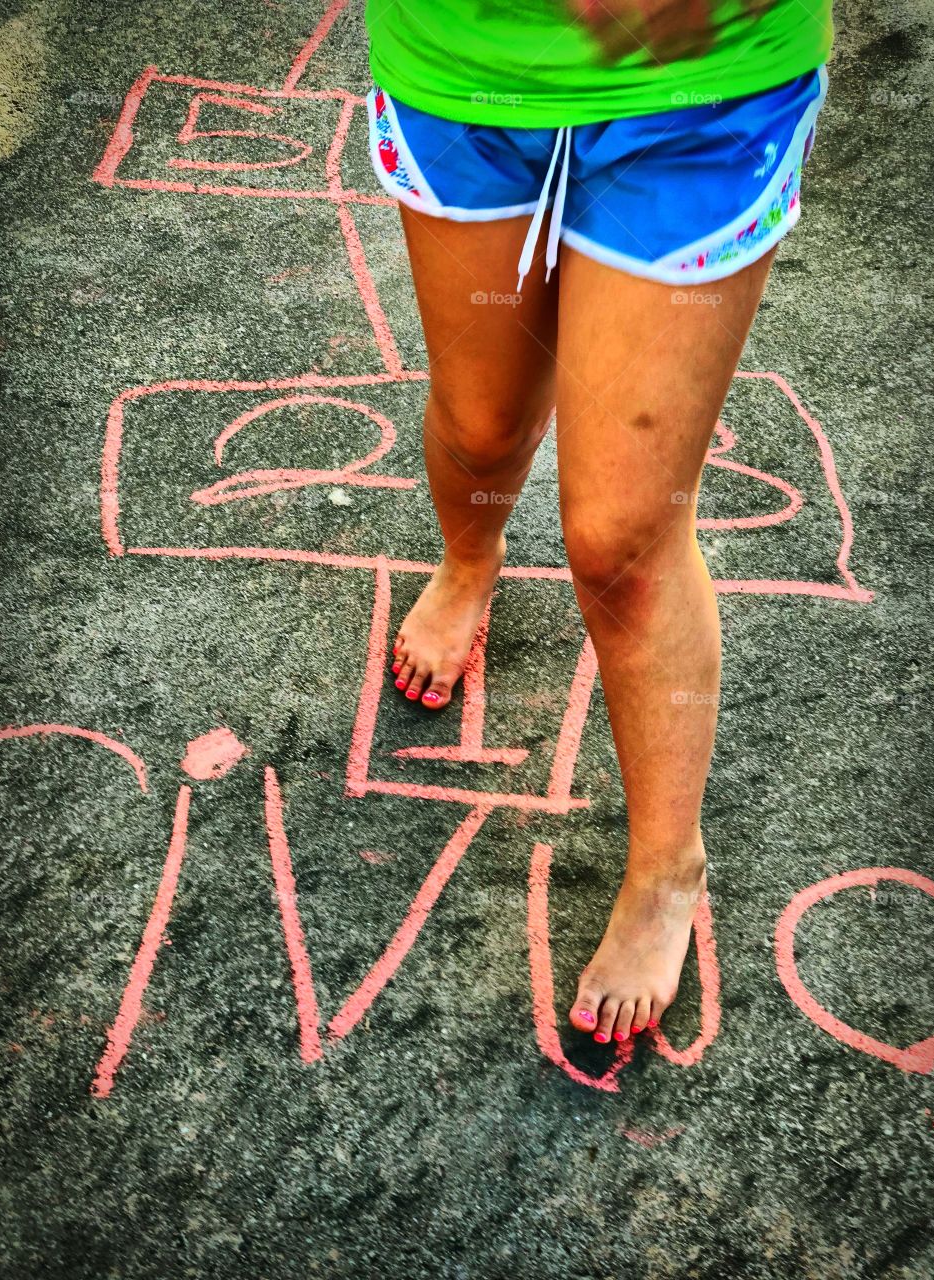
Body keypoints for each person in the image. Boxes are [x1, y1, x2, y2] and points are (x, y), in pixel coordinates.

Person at [363, 0, 831, 1045]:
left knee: (622, 536)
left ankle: (669, 863)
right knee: (481, 430)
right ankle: (469, 557)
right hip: (465, 63)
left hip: (702, 86)